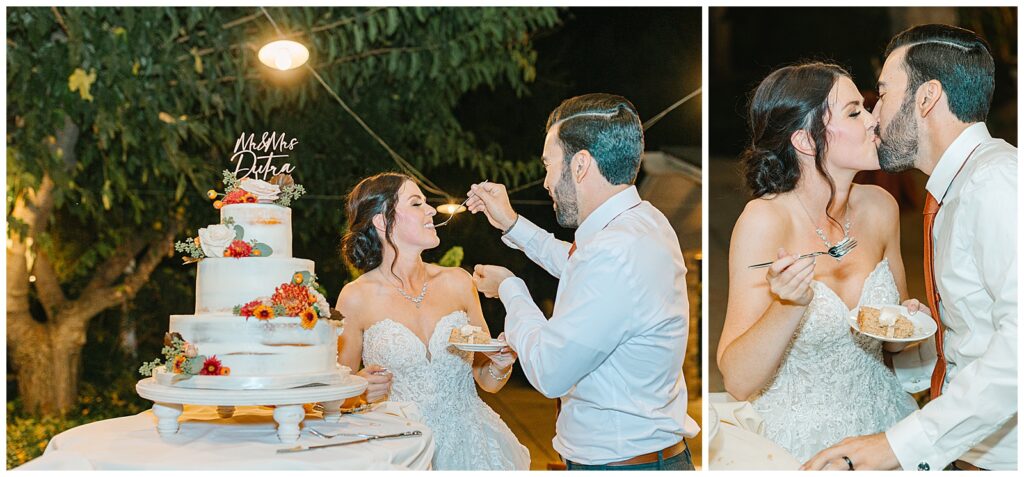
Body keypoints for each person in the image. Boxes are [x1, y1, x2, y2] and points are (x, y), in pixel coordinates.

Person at [804, 24, 1017, 472]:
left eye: (882, 93)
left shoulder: (995, 183)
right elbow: (980, 331)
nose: (875, 114)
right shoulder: (955, 188)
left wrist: (897, 445)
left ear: (926, 98)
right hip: (968, 451)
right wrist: (919, 343)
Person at [467, 93, 698, 470]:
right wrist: (512, 224)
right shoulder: (643, 221)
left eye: (548, 165)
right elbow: (578, 265)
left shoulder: (614, 250)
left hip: (622, 466)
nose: (545, 182)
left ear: (580, 165)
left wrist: (511, 289)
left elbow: (549, 370)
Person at [716, 62, 920, 463]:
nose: (873, 120)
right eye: (853, 112)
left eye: (867, 107)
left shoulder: (882, 208)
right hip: (796, 446)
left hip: (884, 429)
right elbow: (738, 381)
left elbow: (895, 344)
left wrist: (909, 325)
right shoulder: (764, 222)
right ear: (806, 141)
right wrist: (787, 305)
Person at [335, 172, 530, 470]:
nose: (431, 210)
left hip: (471, 449)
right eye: (417, 204)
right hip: (400, 452)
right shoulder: (356, 297)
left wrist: (501, 365)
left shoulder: (458, 282)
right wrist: (357, 389)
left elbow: (487, 381)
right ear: (382, 221)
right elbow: (332, 395)